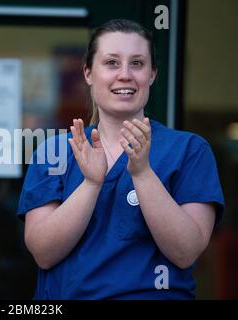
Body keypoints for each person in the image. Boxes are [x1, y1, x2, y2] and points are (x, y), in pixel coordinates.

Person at [18, 19, 224, 299]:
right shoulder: (54, 151)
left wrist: (142, 173)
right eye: (112, 63)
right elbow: (43, 253)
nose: (125, 74)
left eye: (137, 63)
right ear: (89, 73)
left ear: (152, 74)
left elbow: (186, 252)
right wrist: (91, 184)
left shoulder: (189, 150)